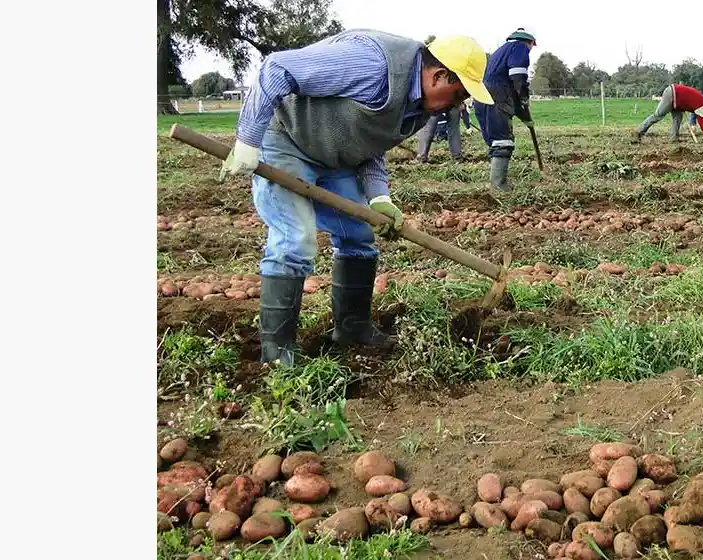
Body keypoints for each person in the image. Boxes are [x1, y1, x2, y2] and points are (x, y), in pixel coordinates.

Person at [216, 29, 493, 365]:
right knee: (295, 240)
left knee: (360, 236)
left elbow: (371, 143)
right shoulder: (371, 64)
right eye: (459, 93)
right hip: (287, 139)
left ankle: (352, 327)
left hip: (335, 157)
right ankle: (277, 351)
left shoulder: (419, 106)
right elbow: (277, 68)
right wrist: (248, 139)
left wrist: (379, 198)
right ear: (439, 76)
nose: (458, 104)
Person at [471, 28, 536, 190]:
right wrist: (524, 94)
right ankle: (499, 187)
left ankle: (497, 183)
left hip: (482, 96)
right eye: (532, 47)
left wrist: (526, 118)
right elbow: (518, 77)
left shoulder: (499, 52)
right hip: (497, 97)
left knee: (495, 141)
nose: (530, 50)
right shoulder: (519, 47)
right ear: (529, 42)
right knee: (502, 141)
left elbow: (513, 88)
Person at [633, 83, 703, 144]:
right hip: (672, 94)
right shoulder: (702, 104)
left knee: (678, 118)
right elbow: (702, 122)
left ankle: (674, 139)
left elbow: (690, 104)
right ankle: (638, 132)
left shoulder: (701, 102)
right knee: (658, 115)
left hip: (678, 101)